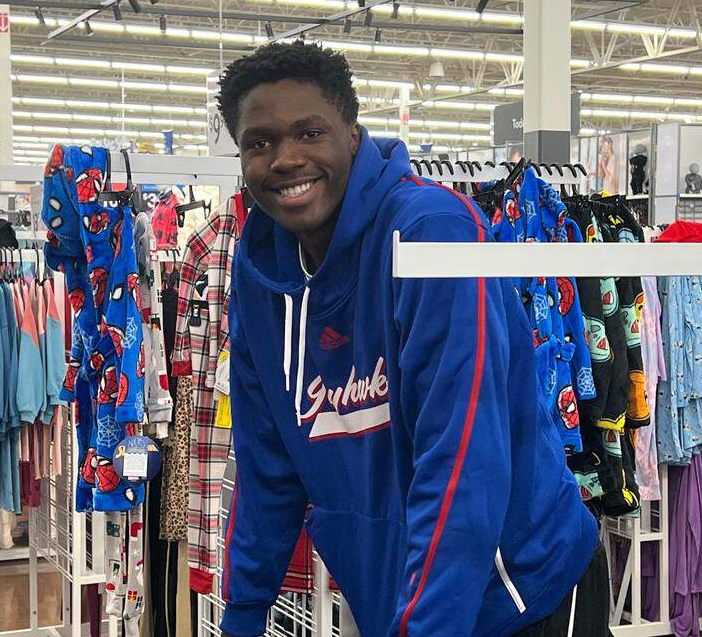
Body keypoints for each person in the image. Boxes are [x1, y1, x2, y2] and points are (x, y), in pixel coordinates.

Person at [216, 41, 603, 637]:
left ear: (352, 135)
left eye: (310, 133)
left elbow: (462, 460)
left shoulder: (433, 232)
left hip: (521, 593)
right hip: (399, 598)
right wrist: (241, 617)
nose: (286, 159)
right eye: (259, 143)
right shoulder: (260, 270)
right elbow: (266, 464)